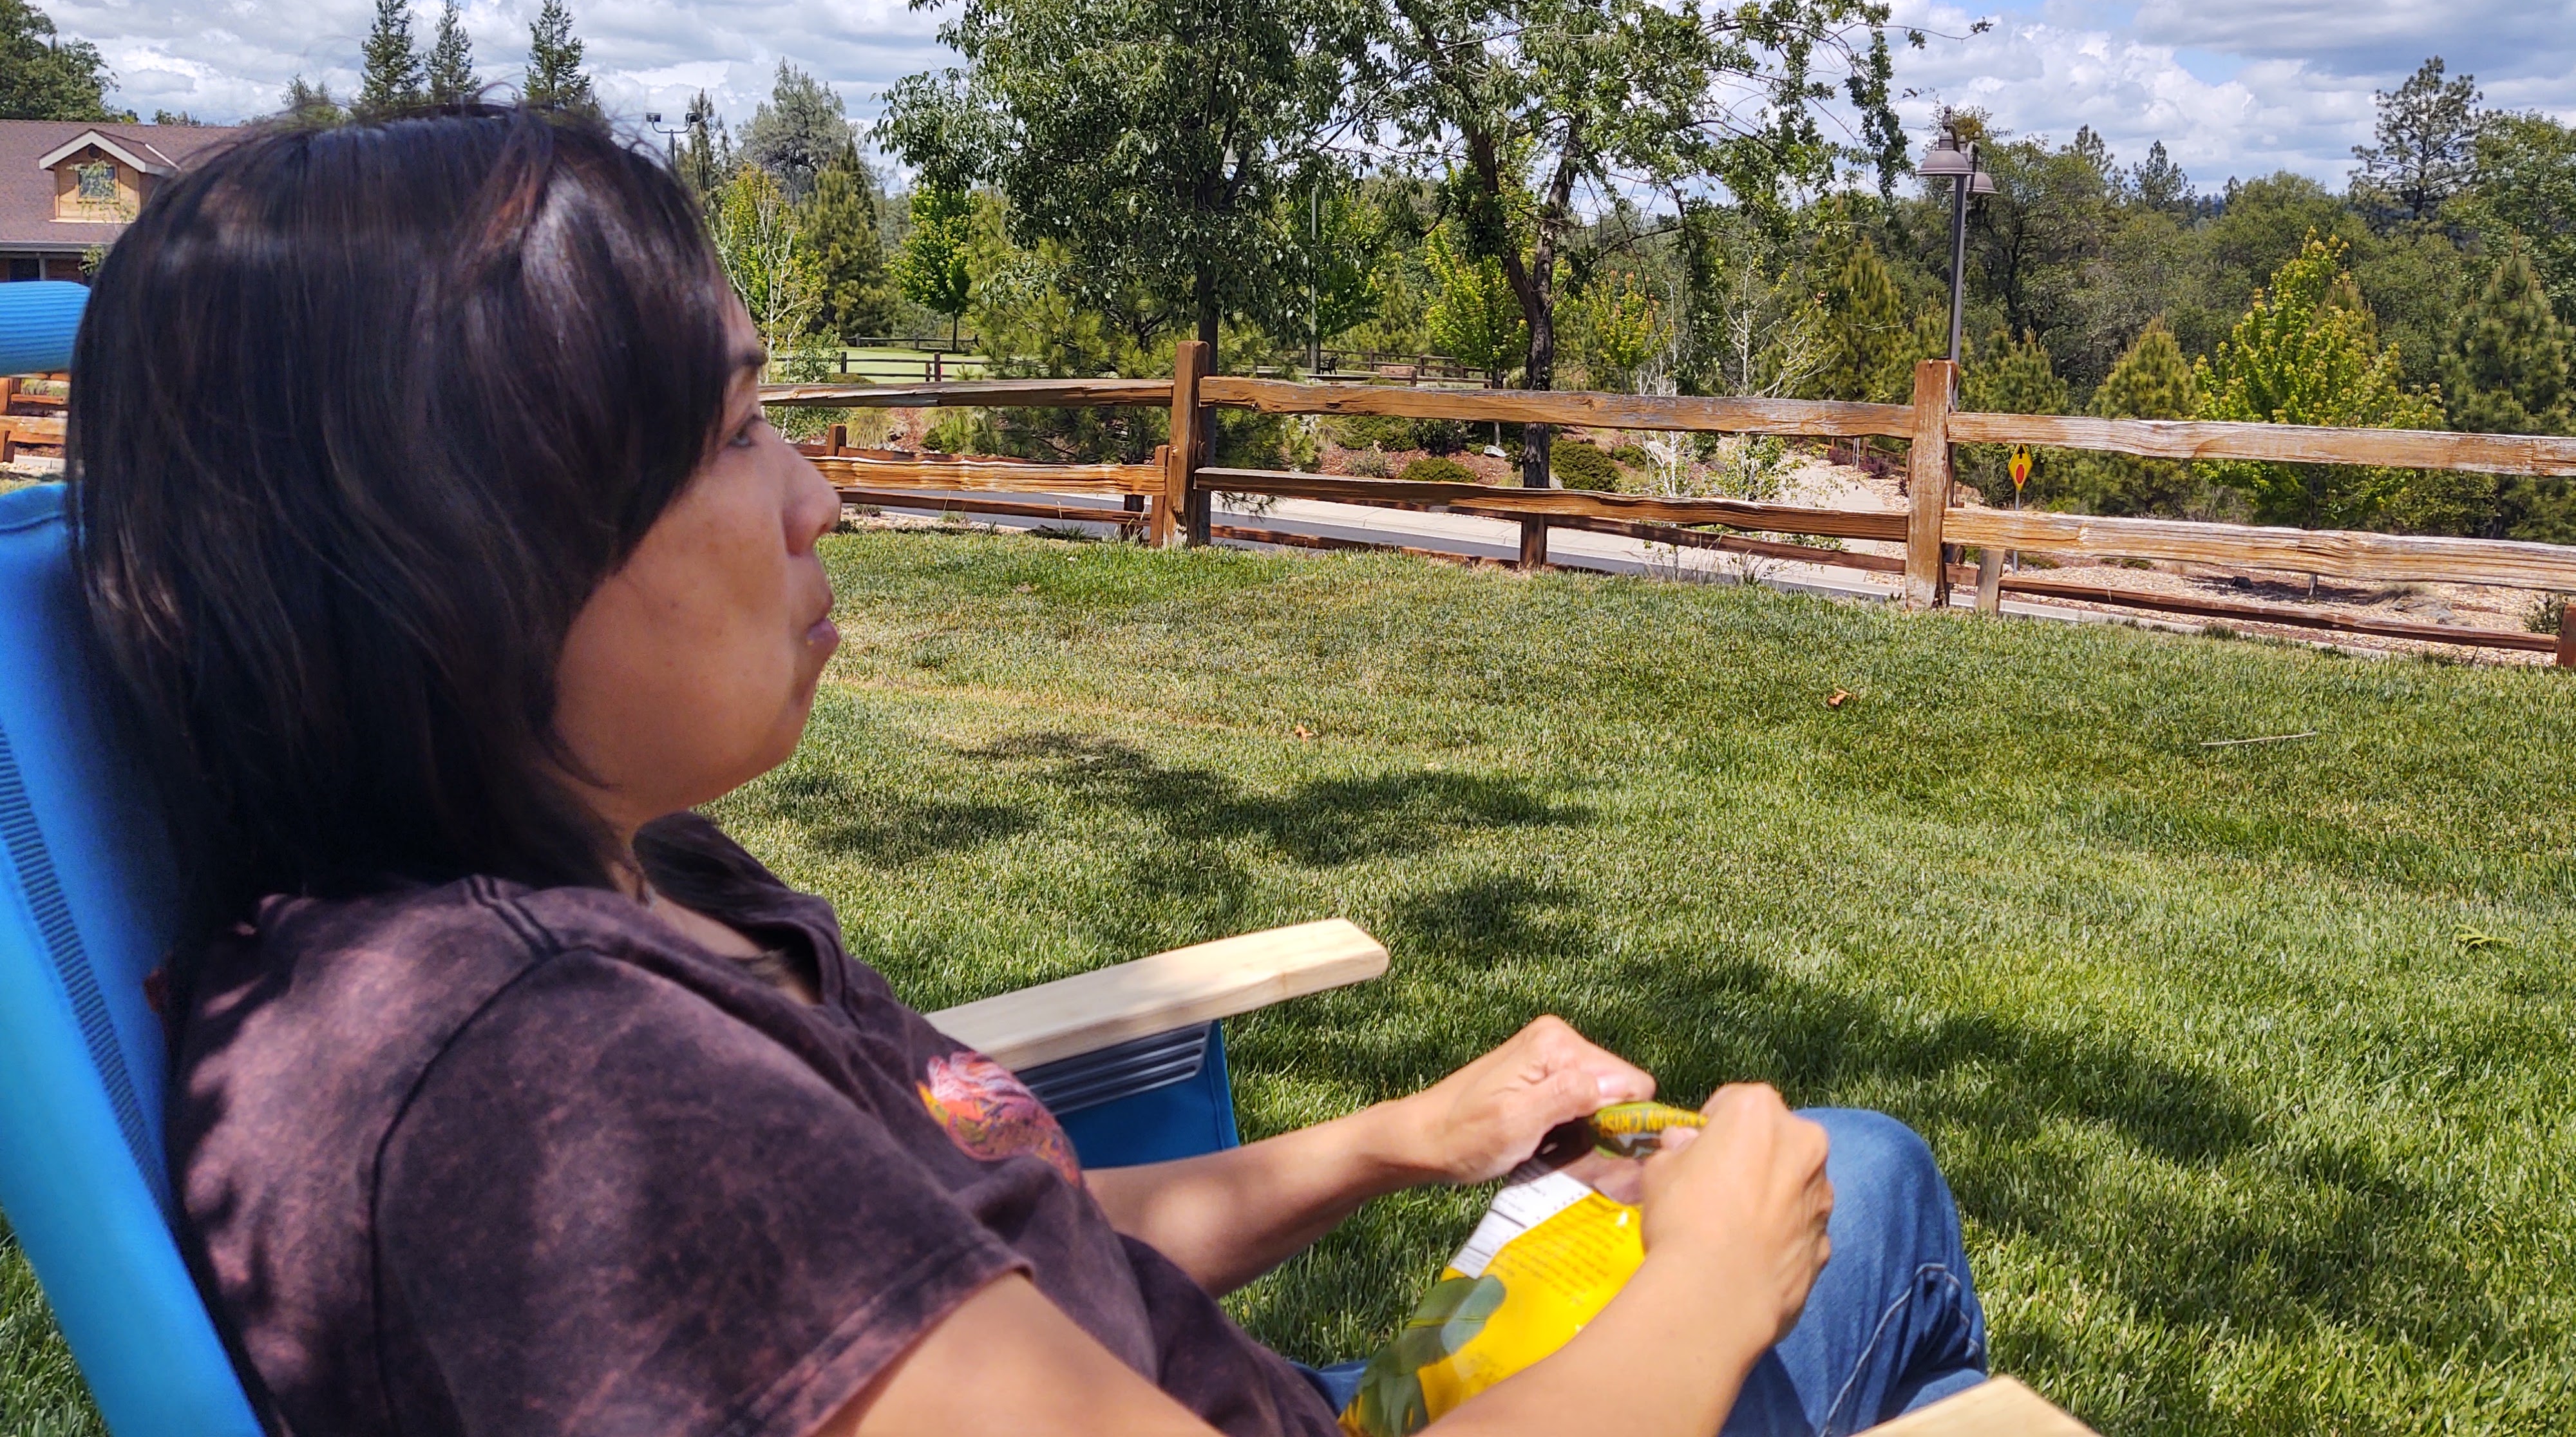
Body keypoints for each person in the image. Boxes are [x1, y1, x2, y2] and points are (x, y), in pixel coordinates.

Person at [70, 106, 1985, 1437]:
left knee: (1858, 1178)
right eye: (735, 432)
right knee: (1860, 1208)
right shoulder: (557, 1091)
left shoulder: (641, 891)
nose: (818, 500)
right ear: (461, 549)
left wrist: (1407, 1135)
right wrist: (1711, 1289)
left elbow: (970, 1264)